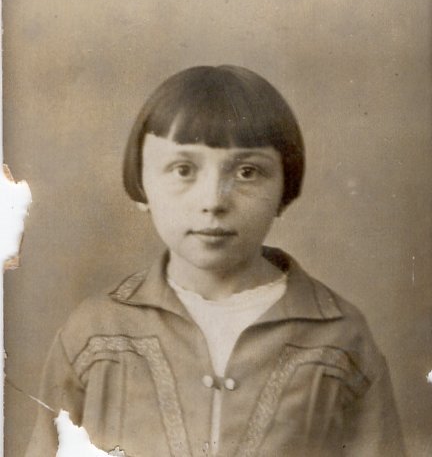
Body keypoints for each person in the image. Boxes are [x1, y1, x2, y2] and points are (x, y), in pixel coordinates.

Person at [26, 65, 405, 457]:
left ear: (284, 186)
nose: (213, 201)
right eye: (183, 169)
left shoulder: (341, 337)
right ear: (142, 182)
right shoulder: (94, 332)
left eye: (247, 172)